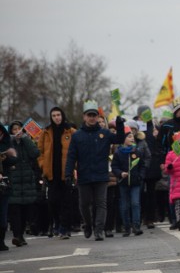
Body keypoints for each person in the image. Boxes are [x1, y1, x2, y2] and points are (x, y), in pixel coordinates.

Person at [65, 100, 125, 241]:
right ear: (84, 117)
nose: (92, 118)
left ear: (98, 117)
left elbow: (120, 138)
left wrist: (120, 124)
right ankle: (88, 224)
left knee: (101, 203)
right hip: (84, 175)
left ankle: (99, 230)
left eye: (94, 115)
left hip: (101, 175)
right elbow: (71, 156)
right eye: (89, 115)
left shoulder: (104, 133)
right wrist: (68, 173)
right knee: (84, 204)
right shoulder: (77, 136)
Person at [37, 107, 76, 239]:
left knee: (66, 201)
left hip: (66, 172)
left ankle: (64, 228)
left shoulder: (71, 131)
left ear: (63, 115)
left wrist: (74, 168)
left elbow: (77, 151)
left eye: (59, 115)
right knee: (53, 201)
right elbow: (40, 152)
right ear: (51, 117)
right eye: (54, 115)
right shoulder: (46, 132)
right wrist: (43, 165)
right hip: (51, 172)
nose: (57, 117)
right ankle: (58, 222)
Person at [7, 121, 40, 247]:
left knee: (26, 210)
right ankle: (17, 235)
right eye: (14, 129)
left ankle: (21, 234)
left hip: (27, 181)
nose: (17, 132)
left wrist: (26, 139)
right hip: (14, 180)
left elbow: (35, 153)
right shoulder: (8, 143)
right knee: (15, 210)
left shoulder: (27, 142)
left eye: (19, 129)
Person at [111, 126, 145, 236]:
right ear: (124, 139)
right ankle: (126, 227)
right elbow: (114, 166)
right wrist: (120, 173)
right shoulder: (118, 152)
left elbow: (142, 165)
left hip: (135, 182)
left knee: (135, 203)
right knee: (124, 205)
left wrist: (140, 176)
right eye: (129, 136)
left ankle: (136, 226)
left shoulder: (137, 151)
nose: (132, 138)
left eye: (132, 137)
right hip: (123, 183)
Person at [1, 123, 19, 251]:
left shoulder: (7, 142)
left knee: (3, 216)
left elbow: (14, 159)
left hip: (4, 185)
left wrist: (5, 156)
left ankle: (1, 241)